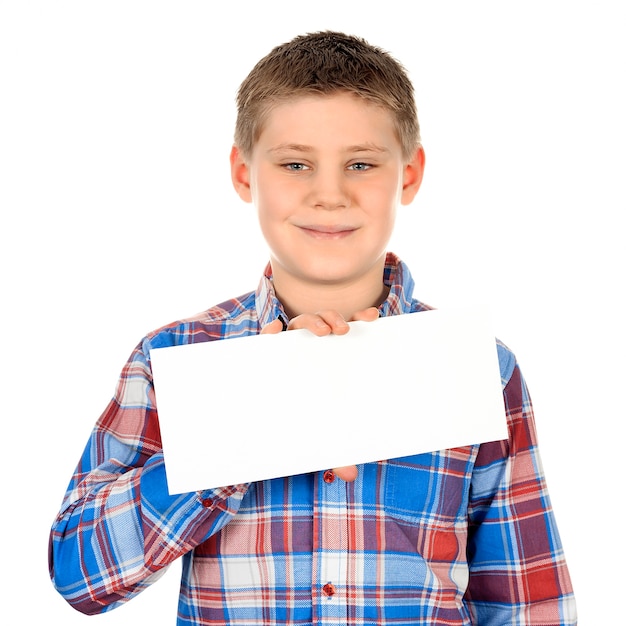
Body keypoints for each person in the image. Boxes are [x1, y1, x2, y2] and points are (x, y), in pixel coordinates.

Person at [48, 31, 577, 624]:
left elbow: (529, 604)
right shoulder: (172, 358)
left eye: (361, 163)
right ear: (245, 173)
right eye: (296, 164)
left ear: (408, 173)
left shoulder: (476, 367)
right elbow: (79, 575)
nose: (329, 194)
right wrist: (228, 438)